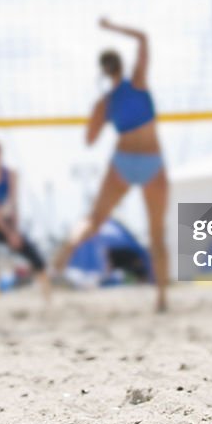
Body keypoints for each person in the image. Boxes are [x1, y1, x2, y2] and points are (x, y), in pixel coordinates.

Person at [54, 18, 169, 312]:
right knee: (156, 233)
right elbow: (143, 36)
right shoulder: (138, 82)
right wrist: (112, 27)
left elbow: (90, 140)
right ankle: (161, 299)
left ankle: (66, 251)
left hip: (123, 160)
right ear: (121, 66)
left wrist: (100, 113)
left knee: (95, 219)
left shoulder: (105, 102)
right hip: (152, 161)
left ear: (104, 73)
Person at [0, 139, 49, 306]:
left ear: (0, 153)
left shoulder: (11, 174)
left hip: (3, 222)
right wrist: (9, 234)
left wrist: (15, 231)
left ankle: (47, 298)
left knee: (31, 252)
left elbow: (14, 203)